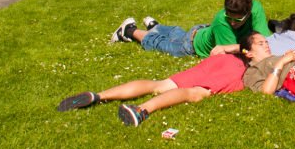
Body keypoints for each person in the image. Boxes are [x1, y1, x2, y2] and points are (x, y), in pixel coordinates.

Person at [57, 52, 249, 127]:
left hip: (218, 61)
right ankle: (141, 110)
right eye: (262, 44)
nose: (266, 45)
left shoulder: (233, 51)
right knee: (196, 92)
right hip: (234, 67)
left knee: (159, 85)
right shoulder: (249, 64)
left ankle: (99, 95)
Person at [110, 0, 268, 59]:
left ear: (248, 12)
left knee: (177, 33)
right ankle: (129, 30)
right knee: (160, 43)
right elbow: (233, 55)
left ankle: (155, 27)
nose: (232, 22)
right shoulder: (222, 21)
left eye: (237, 20)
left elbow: (267, 39)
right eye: (229, 17)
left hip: (198, 32)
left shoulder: (256, 8)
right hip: (191, 46)